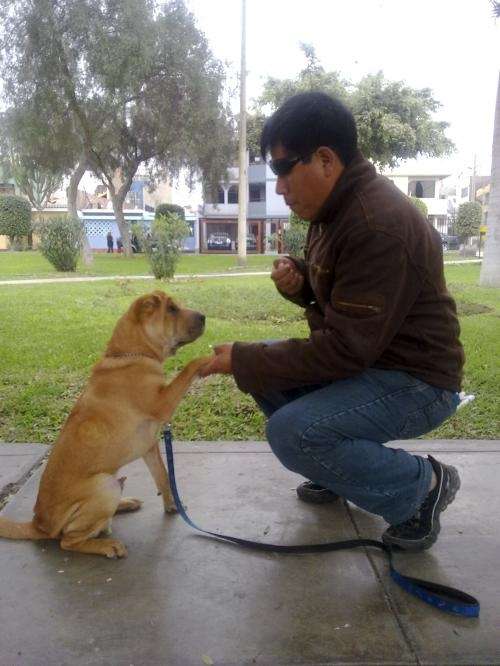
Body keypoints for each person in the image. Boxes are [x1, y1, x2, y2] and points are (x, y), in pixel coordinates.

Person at [200, 91, 464, 552]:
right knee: (266, 372)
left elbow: (345, 350)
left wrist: (243, 359)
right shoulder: (336, 211)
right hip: (376, 363)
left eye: (283, 169)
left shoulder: (375, 222)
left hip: (418, 381)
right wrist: (302, 286)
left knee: (290, 429)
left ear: (325, 159)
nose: (280, 187)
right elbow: (350, 311)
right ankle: (339, 473)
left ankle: (421, 487)